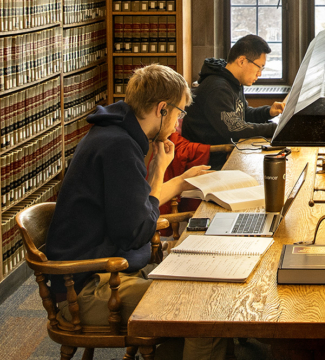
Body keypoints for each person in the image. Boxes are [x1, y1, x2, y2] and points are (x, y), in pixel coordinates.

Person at [44, 64, 226, 359]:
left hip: (106, 268)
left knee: (205, 285)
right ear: (162, 109)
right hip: (90, 287)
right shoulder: (119, 147)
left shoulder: (116, 133)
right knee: (202, 308)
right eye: (180, 113)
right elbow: (135, 231)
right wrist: (162, 179)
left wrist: (164, 173)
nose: (179, 123)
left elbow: (140, 208)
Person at [181, 34, 286, 168]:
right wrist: (277, 129)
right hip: (208, 163)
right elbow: (235, 129)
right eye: (259, 67)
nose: (260, 73)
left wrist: (268, 112)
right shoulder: (217, 88)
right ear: (242, 61)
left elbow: (243, 114)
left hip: (226, 154)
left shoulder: (233, 82)